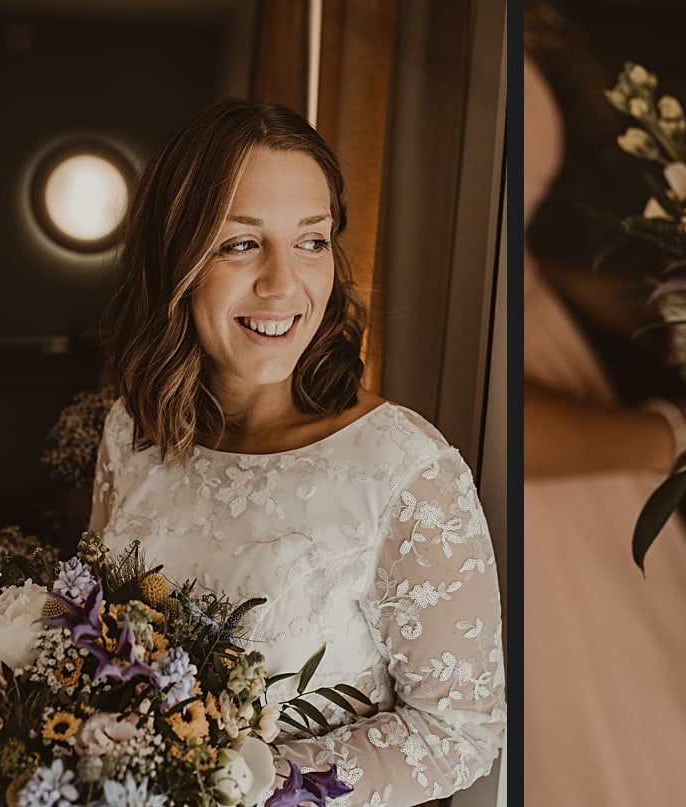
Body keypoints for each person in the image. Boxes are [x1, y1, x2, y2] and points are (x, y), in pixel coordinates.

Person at [89, 100, 505, 805]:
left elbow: (458, 730)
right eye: (240, 243)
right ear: (176, 257)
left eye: (311, 241)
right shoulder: (131, 432)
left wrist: (244, 783)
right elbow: (95, 644)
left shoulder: (403, 467)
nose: (285, 285)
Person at [519, 10, 686, 803]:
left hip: (592, 460)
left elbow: (513, 264)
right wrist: (685, 435)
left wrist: (682, 309)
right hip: (544, 483)